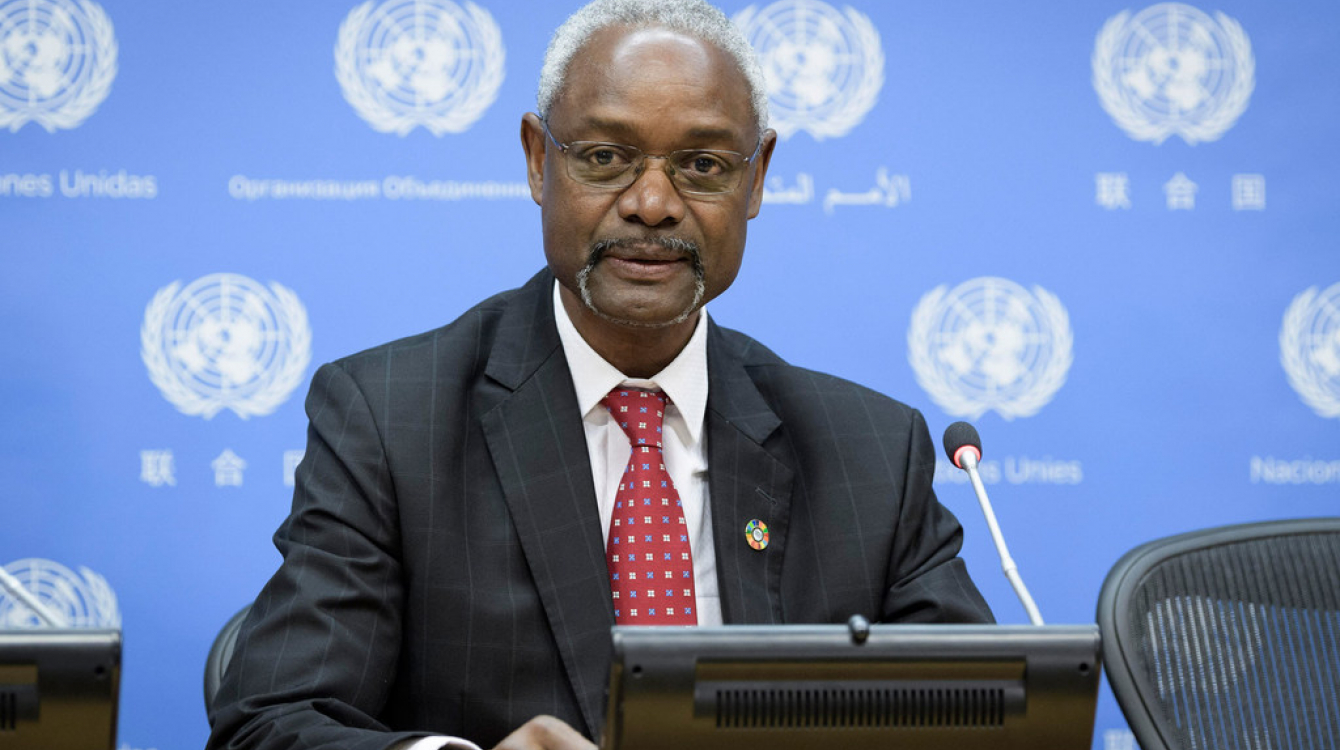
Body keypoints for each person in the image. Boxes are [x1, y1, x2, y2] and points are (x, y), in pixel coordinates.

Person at [205, 1, 993, 749]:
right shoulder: (390, 419)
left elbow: (985, 719)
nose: (652, 203)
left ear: (756, 181)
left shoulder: (872, 451)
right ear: (538, 159)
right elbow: (271, 722)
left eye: (703, 165)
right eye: (607, 157)